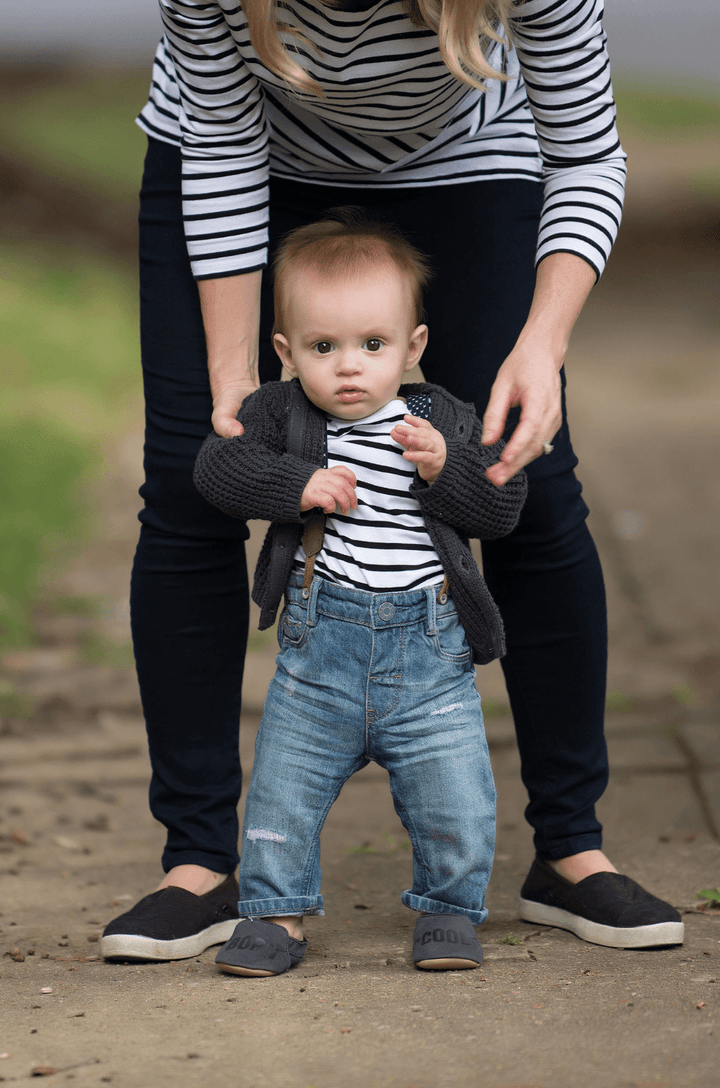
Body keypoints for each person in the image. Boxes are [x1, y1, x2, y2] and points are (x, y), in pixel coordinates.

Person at [100, 0, 684, 962]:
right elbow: (217, 141)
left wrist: (542, 344)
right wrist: (235, 381)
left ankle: (571, 850)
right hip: (242, 157)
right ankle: (200, 864)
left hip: (471, 165)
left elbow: (585, 150)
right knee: (191, 485)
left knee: (525, 476)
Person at [193, 212, 527, 975]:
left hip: (430, 654)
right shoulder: (281, 414)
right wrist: (295, 483)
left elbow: (503, 509)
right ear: (285, 353)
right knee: (282, 795)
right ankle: (276, 915)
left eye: (372, 345)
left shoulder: (440, 418)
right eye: (323, 347)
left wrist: (449, 470)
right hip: (319, 659)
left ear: (412, 346)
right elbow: (216, 470)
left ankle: (447, 911)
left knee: (457, 801)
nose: (349, 368)